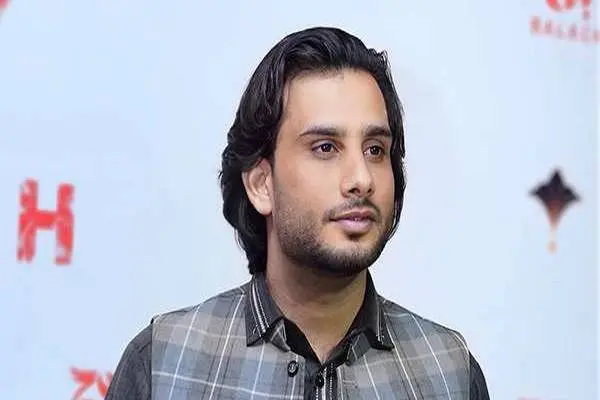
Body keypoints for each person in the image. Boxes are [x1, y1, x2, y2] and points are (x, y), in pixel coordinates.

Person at [106, 26, 490, 400]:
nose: (361, 179)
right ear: (261, 184)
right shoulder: (165, 362)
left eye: (375, 149)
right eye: (325, 147)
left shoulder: (448, 372)